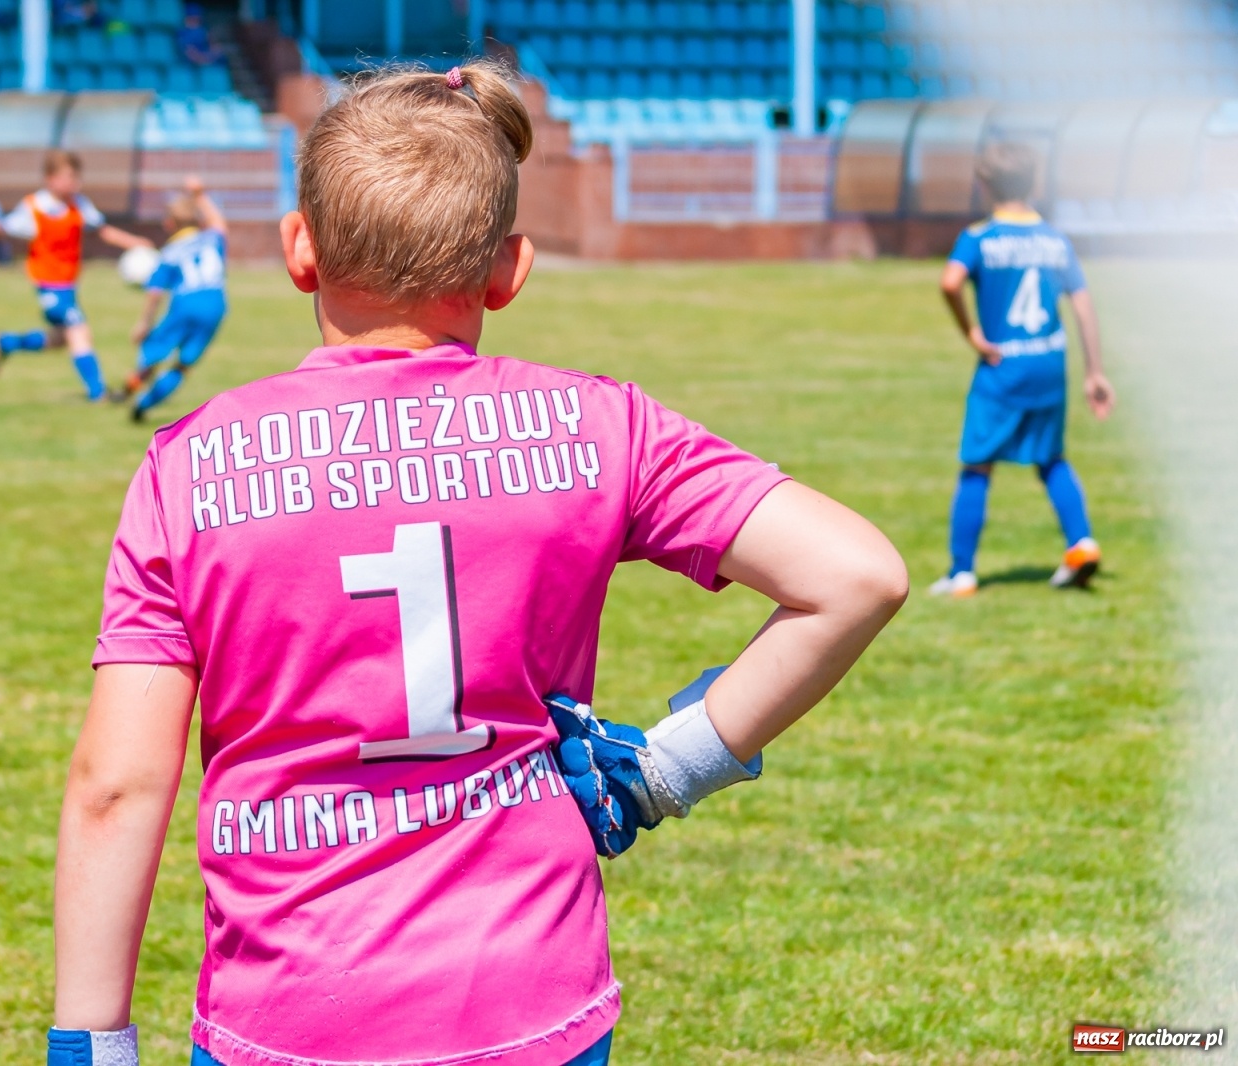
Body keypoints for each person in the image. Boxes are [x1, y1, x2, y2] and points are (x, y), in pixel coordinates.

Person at [49, 61, 907, 1066]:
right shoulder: (598, 426)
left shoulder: (188, 465)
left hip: (287, 1014)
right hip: (528, 1007)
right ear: (509, 268)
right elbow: (857, 575)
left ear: (299, 250)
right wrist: (667, 772)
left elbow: (117, 782)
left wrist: (92, 1041)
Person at [931, 142, 1116, 598]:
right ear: (1034, 183)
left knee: (977, 464)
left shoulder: (979, 237)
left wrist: (971, 332)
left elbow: (949, 281)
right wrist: (1094, 370)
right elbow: (1083, 302)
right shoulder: (1055, 239)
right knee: (1050, 458)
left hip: (1003, 365)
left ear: (983, 185)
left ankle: (962, 574)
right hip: (1049, 364)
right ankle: (1082, 541)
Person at [0, 150, 152, 402]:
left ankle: (7, 342)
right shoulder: (34, 206)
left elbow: (102, 230)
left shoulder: (79, 204)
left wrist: (135, 242)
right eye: (69, 177)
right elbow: (9, 229)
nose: (75, 184)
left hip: (69, 284)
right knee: (79, 331)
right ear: (50, 179)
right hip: (48, 285)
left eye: (77, 178)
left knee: (61, 340)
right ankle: (98, 392)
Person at [115, 176, 228, 424]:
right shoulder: (212, 238)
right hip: (216, 305)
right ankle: (143, 405)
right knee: (183, 364)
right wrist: (200, 194)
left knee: (152, 353)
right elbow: (219, 222)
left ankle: (129, 387)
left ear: (169, 224)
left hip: (186, 304)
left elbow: (155, 293)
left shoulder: (169, 253)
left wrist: (144, 323)